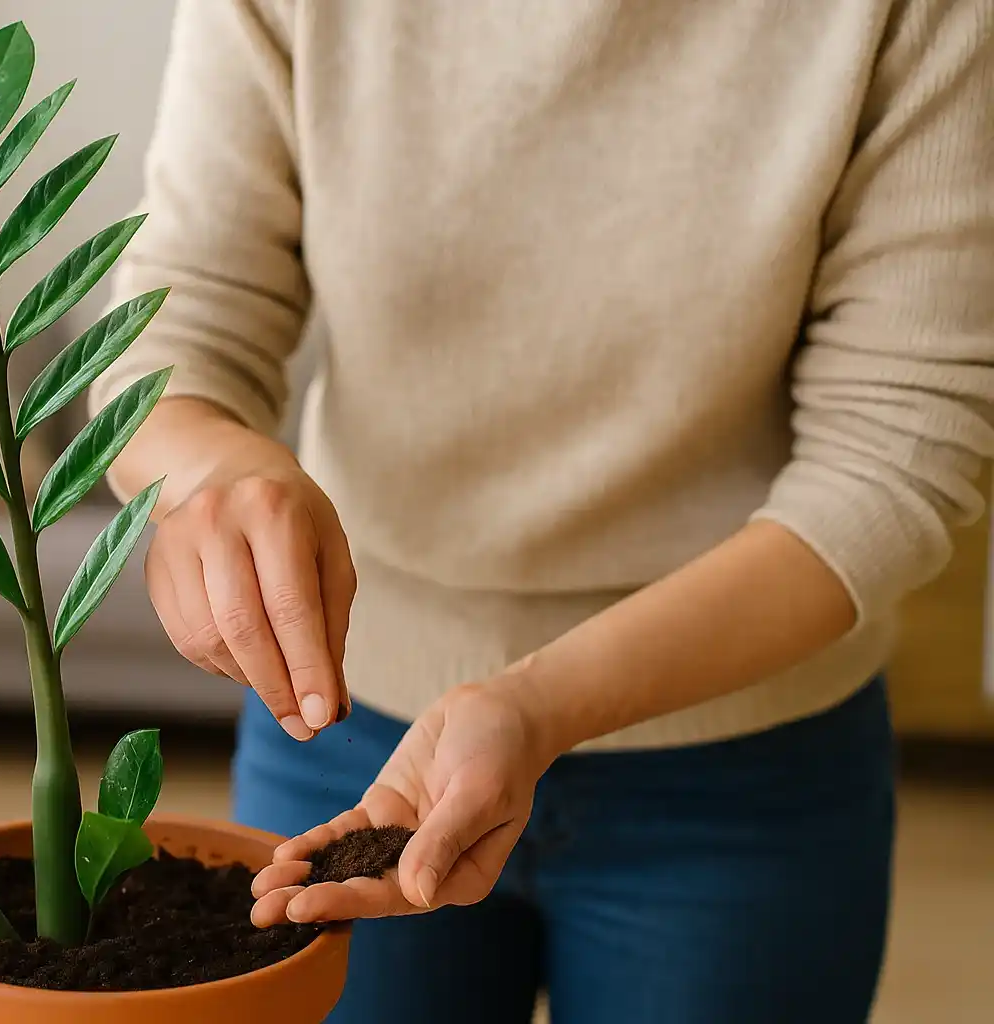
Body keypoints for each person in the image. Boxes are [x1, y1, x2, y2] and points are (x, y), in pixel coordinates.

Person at [92, 2, 994, 1021]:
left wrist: (540, 702)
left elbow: (895, 457)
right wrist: (206, 472)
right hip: (353, 737)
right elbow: (178, 322)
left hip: (745, 773)